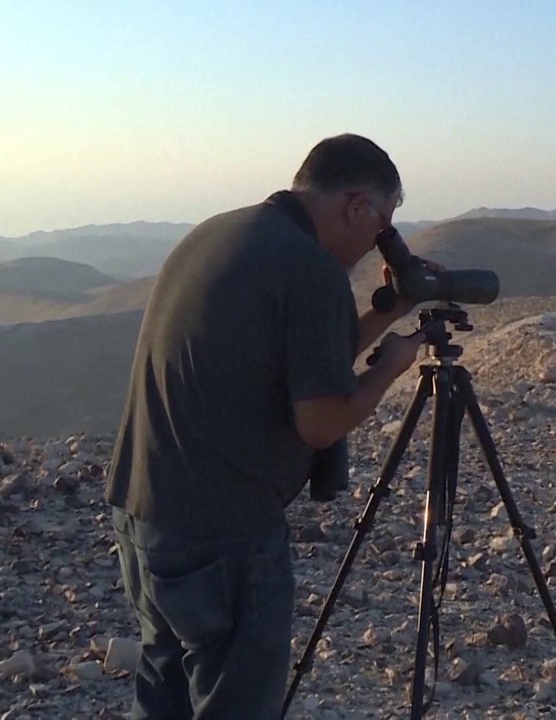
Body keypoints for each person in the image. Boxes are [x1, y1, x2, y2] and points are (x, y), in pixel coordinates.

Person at [104, 134, 425, 719]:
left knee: (165, 693)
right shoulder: (310, 269)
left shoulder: (221, 232)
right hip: (223, 533)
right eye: (382, 223)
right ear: (357, 206)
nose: (379, 238)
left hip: (145, 511)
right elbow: (322, 421)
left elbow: (308, 364)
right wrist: (392, 370)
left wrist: (386, 312)